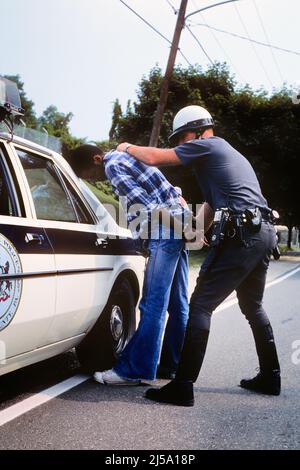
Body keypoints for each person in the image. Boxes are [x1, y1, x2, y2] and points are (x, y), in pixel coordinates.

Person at [116, 105, 281, 405]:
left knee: (200, 305)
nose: (180, 144)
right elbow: (211, 203)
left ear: (198, 131)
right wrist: (194, 231)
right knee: (252, 304)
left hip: (243, 233)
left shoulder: (209, 145)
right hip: (264, 231)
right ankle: (271, 376)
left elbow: (154, 158)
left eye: (182, 137)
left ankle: (183, 386)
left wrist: (125, 146)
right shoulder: (222, 155)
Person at [69, 144, 191, 384]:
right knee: (178, 304)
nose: (95, 180)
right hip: (180, 225)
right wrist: (187, 226)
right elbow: (173, 193)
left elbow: (150, 209)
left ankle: (136, 369)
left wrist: (179, 228)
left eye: (90, 175)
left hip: (166, 230)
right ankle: (170, 365)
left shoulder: (112, 165)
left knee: (152, 304)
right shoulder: (130, 156)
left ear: (96, 159)